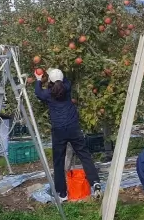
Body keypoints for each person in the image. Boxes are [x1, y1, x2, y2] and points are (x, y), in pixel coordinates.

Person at [34, 68, 101, 202]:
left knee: (58, 161)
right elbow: (65, 80)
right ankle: (95, 183)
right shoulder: (67, 88)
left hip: (58, 130)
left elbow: (38, 92)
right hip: (73, 128)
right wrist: (55, 73)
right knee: (84, 155)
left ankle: (62, 193)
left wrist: (38, 79)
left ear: (51, 81)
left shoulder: (47, 94)